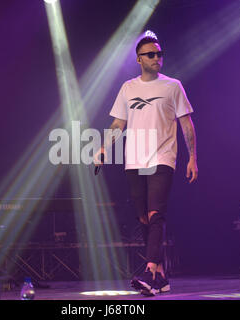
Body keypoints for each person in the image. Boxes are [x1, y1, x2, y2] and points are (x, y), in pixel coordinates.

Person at [94, 35, 198, 296]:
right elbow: (118, 124)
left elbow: (186, 124)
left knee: (155, 214)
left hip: (163, 157)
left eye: (159, 54)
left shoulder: (173, 86)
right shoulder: (128, 88)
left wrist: (193, 157)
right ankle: (161, 275)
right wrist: (104, 147)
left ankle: (150, 272)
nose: (156, 58)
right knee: (143, 218)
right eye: (150, 54)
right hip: (134, 161)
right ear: (139, 59)